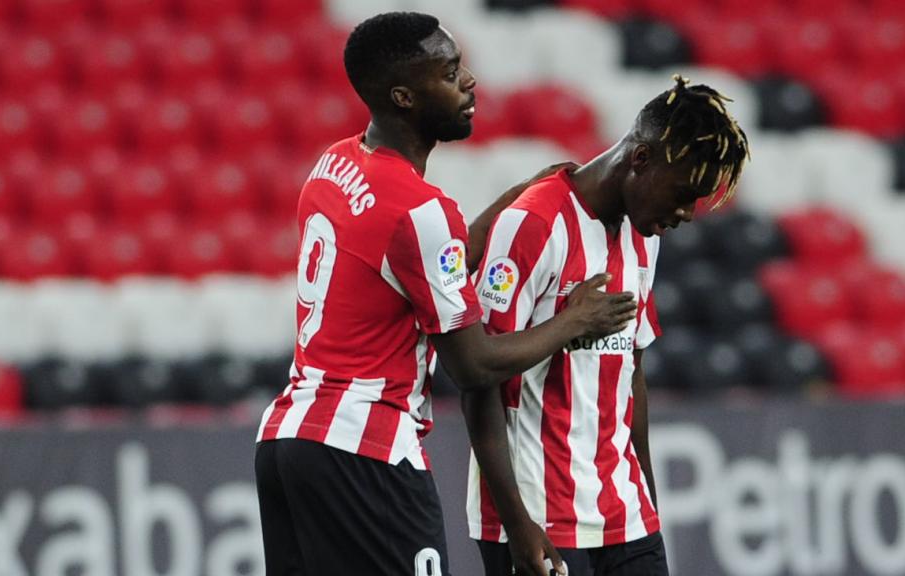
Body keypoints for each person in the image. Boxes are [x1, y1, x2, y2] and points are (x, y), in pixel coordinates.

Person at [253, 12, 638, 576]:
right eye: (450, 72)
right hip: (367, 449)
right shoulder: (420, 209)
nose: (470, 82)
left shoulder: (334, 163)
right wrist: (574, 321)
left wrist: (516, 197)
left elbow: (426, 261)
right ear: (404, 97)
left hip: (289, 440)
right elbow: (474, 364)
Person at [465, 74, 750, 576]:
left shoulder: (646, 235)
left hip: (626, 515)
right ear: (641, 159)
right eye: (684, 193)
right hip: (538, 517)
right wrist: (516, 523)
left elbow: (630, 374)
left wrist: (648, 507)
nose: (686, 213)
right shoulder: (534, 222)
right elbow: (477, 376)